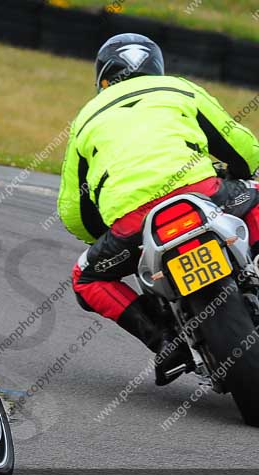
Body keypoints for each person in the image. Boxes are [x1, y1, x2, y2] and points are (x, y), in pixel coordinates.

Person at [58, 33, 259, 386]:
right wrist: (239, 175)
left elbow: (74, 210)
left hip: (135, 222)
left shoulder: (85, 119)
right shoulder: (179, 89)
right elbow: (243, 149)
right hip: (205, 195)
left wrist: (106, 236)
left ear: (103, 78)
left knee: (85, 278)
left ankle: (167, 341)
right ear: (156, 67)